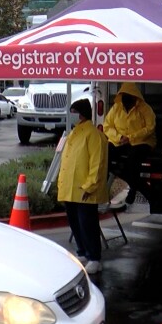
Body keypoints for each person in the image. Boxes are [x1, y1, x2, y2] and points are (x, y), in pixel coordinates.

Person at [58, 99, 109, 274]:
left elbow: (97, 163)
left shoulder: (93, 134)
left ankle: (94, 257)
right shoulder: (74, 133)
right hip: (71, 189)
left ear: (80, 113)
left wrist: (90, 186)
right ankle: (82, 252)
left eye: (73, 111)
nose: (70, 114)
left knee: (87, 223)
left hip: (85, 190)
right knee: (75, 222)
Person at [103, 82, 156, 206]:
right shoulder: (116, 107)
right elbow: (107, 125)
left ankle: (134, 189)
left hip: (141, 142)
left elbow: (150, 128)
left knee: (132, 161)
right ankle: (136, 187)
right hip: (120, 141)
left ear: (135, 97)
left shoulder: (145, 108)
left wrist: (131, 137)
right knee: (105, 155)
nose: (126, 100)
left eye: (129, 96)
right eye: (123, 96)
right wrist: (119, 137)